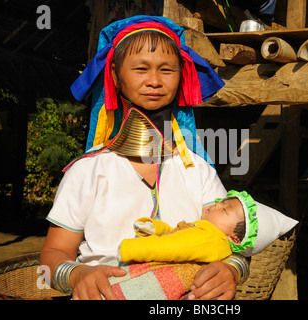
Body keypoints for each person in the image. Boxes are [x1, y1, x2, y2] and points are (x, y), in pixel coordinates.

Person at [40, 15, 242, 301]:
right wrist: (77, 275)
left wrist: (232, 270)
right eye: (141, 69)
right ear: (114, 76)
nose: (155, 81)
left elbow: (235, 241)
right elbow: (53, 253)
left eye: (167, 70)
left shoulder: (197, 170)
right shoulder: (88, 170)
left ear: (182, 76)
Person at [118, 190, 258, 264]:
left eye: (224, 210)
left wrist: (131, 249)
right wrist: (156, 228)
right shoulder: (207, 234)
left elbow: (171, 247)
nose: (218, 204)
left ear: (233, 238)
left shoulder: (209, 237)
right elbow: (177, 234)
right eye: (222, 202)